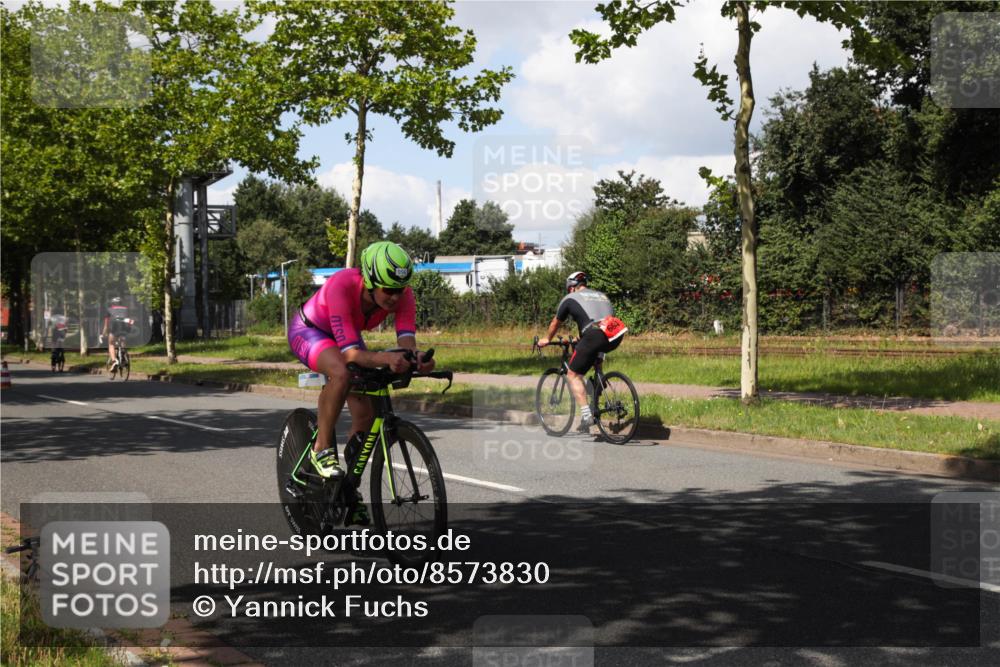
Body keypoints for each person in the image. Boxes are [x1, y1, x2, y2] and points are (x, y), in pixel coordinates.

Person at [287, 241, 434, 526]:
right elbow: (351, 355)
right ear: (369, 281)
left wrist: (417, 359)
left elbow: (406, 341)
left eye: (400, 289)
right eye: (388, 290)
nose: (395, 297)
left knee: (367, 413)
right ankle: (320, 449)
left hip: (346, 336)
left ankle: (346, 491)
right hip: (310, 331)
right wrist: (385, 358)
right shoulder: (342, 285)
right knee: (341, 373)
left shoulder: (403, 295)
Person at [537, 271, 628, 432]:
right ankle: (597, 386)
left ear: (572, 287)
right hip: (615, 334)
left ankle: (587, 415)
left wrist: (547, 338)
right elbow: (597, 321)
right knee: (595, 362)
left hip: (594, 336)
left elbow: (555, 323)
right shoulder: (601, 296)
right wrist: (581, 338)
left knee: (572, 375)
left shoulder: (570, 298)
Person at [101, 297, 131, 368]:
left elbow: (106, 325)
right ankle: (123, 355)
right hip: (125, 327)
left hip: (114, 327)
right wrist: (129, 330)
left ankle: (114, 361)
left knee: (111, 344)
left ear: (112, 304)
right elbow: (129, 320)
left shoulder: (109, 310)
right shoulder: (126, 309)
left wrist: (104, 333)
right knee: (122, 340)